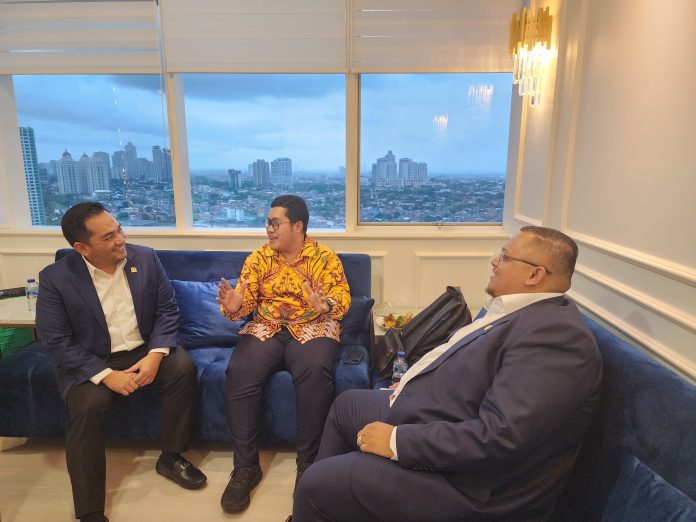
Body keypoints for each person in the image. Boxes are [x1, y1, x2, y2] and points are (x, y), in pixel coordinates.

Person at [292, 226, 603, 521]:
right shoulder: (520, 313)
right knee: (346, 405)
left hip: (471, 486)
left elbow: (501, 436)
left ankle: (320, 501)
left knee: (317, 484)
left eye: (505, 256)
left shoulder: (556, 338)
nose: (494, 261)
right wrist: (411, 384)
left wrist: (398, 441)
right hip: (446, 419)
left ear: (535, 274)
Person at [36, 202, 206, 522]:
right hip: (90, 360)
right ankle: (90, 509)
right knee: (89, 406)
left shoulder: (145, 258)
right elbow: (55, 340)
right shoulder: (56, 278)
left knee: (183, 368)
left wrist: (156, 355)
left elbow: (167, 310)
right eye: (108, 237)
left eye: (119, 230)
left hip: (143, 349)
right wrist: (105, 375)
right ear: (82, 248)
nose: (120, 240)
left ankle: (171, 457)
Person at [217, 194, 351, 513]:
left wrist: (325, 305)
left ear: (298, 226)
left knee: (315, 372)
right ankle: (245, 467)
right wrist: (236, 306)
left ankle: (308, 465)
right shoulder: (259, 259)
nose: (269, 229)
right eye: (268, 223)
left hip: (313, 325)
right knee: (239, 370)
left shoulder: (324, 258)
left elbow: (341, 298)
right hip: (267, 326)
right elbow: (246, 300)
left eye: (276, 223)